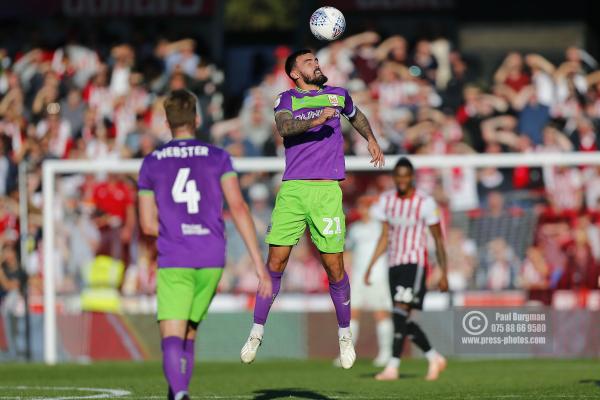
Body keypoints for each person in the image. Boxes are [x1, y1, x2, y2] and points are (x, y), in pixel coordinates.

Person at [240, 49, 385, 369]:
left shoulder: (337, 95)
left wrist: (371, 139)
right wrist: (317, 119)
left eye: (317, 61)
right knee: (275, 263)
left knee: (334, 266)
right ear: (294, 73)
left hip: (327, 191)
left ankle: (345, 335)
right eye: (309, 63)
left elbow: (356, 114)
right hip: (293, 189)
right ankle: (256, 330)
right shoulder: (286, 99)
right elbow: (284, 127)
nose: (316, 65)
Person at [138, 89, 271, 400]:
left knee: (172, 336)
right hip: (212, 256)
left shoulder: (152, 163)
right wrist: (258, 264)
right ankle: (179, 393)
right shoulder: (218, 156)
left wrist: (175, 233)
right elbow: (238, 207)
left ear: (167, 122)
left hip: (176, 255)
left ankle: (181, 393)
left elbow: (146, 224)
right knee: (190, 331)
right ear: (197, 119)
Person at [364, 157, 448, 381]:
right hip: (394, 264)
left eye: (405, 176)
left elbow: (438, 239)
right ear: (394, 178)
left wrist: (444, 272)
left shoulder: (425, 202)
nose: (401, 180)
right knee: (401, 318)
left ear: (412, 177)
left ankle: (392, 366)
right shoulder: (386, 201)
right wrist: (370, 265)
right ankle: (434, 357)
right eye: (398, 176)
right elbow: (384, 236)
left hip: (415, 263)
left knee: (400, 312)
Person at [339, 196, 393, 367]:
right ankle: (347, 353)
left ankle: (386, 353)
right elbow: (348, 252)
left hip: (378, 276)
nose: (363, 211)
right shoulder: (355, 229)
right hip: (358, 277)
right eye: (361, 207)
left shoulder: (380, 227)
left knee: (381, 313)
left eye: (366, 207)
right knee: (351, 314)